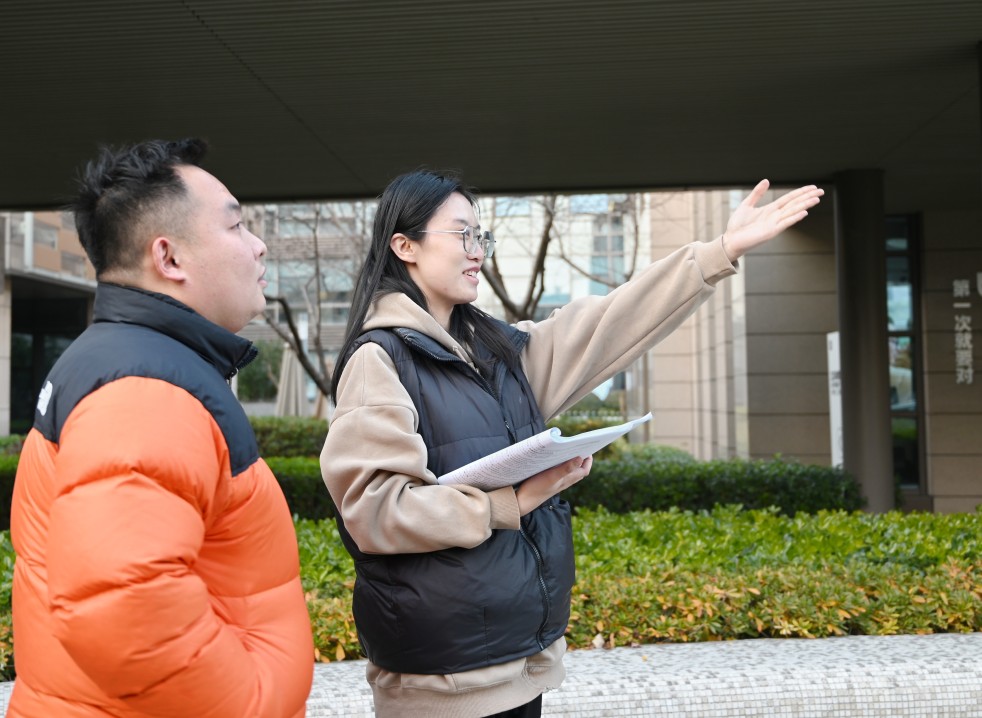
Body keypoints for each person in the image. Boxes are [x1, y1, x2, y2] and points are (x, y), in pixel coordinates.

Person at [320, 169, 823, 718]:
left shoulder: (498, 353)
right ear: (405, 246)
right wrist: (508, 503)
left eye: (481, 236)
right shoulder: (379, 360)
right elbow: (375, 511)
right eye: (462, 234)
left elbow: (612, 321)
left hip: (519, 667)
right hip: (440, 687)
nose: (477, 251)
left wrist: (720, 251)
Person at [9, 139, 315, 717]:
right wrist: (252, 701)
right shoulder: (146, 389)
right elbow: (123, 602)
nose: (259, 245)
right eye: (237, 226)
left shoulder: (131, 363)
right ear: (169, 259)